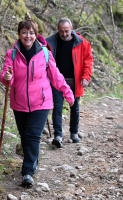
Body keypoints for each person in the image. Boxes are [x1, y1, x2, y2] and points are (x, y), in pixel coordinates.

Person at [0, 17, 74, 187]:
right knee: (25, 137)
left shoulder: (45, 53)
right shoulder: (11, 54)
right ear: (19, 34)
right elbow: (5, 76)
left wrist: (67, 93)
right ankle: (32, 160)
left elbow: (56, 77)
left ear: (36, 34)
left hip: (41, 102)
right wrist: (6, 77)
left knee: (33, 136)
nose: (28, 36)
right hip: (19, 102)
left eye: (31, 33)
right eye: (24, 32)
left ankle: (27, 172)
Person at [46, 18, 93, 148]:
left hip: (75, 80)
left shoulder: (82, 43)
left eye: (66, 31)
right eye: (61, 31)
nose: (64, 34)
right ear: (58, 30)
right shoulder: (50, 42)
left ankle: (74, 133)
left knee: (75, 107)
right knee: (57, 107)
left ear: (71, 29)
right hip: (57, 80)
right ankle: (58, 135)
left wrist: (86, 77)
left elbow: (88, 61)